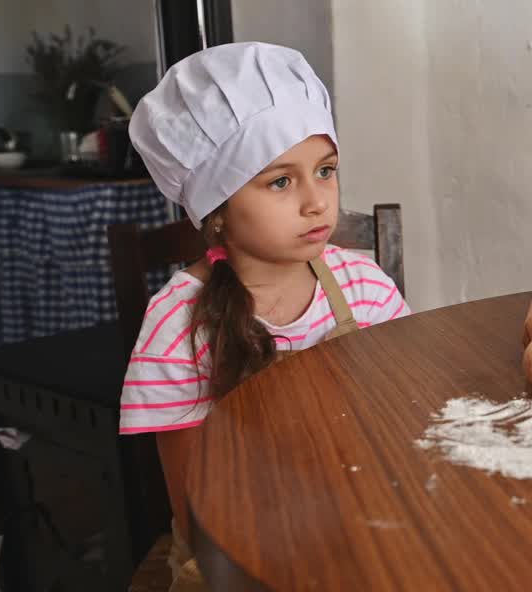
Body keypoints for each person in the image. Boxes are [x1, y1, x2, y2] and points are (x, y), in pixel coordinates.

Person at [118, 42, 409, 588]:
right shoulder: (177, 323)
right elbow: (190, 508)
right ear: (218, 210)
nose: (317, 201)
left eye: (325, 170)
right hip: (236, 551)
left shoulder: (363, 286)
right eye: (280, 181)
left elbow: (400, 412)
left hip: (363, 516)